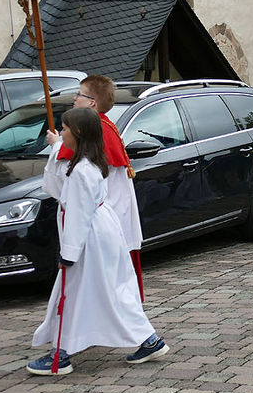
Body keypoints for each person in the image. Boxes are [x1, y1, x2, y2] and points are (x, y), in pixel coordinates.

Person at [27, 108, 168, 375]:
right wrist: (56, 148)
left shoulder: (82, 170)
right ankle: (148, 340)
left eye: (65, 129)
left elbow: (78, 213)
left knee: (72, 293)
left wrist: (68, 253)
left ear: (78, 133)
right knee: (108, 291)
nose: (62, 132)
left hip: (89, 238)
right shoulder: (88, 163)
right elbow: (57, 188)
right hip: (101, 233)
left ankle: (61, 355)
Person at [55, 75, 144, 296]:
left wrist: (56, 146)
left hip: (99, 223)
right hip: (109, 217)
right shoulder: (104, 126)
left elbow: (64, 180)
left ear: (92, 103)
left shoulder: (93, 135)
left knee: (105, 289)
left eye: (79, 95)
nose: (74, 99)